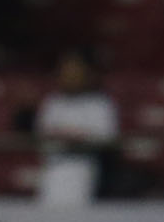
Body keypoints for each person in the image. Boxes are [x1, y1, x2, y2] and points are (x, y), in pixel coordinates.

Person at [34, 50, 118, 206]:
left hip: (85, 168)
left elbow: (107, 138)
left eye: (75, 72)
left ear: (87, 74)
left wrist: (75, 137)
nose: (70, 77)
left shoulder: (100, 103)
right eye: (66, 72)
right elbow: (42, 134)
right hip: (53, 167)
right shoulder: (53, 101)